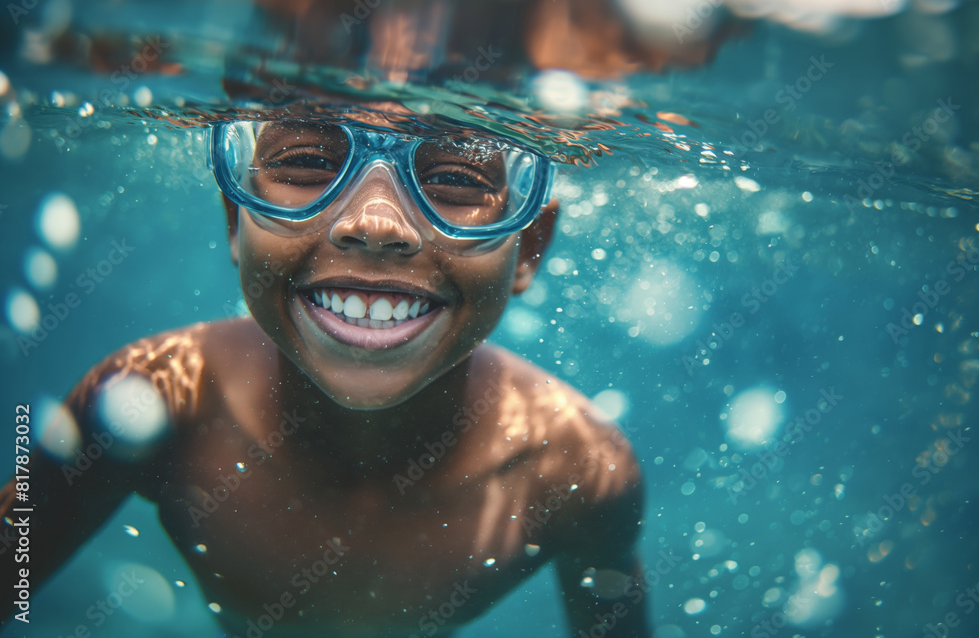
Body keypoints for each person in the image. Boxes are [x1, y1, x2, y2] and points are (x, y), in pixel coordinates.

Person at [1, 101, 649, 637]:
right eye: (308, 162)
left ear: (528, 247)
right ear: (236, 218)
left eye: (454, 178)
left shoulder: (578, 469)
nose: (374, 223)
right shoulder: (153, 398)